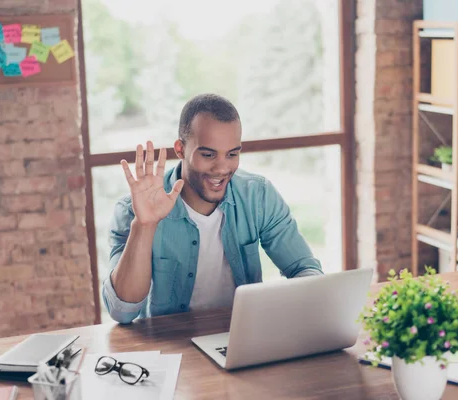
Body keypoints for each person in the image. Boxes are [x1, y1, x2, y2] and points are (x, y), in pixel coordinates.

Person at [102, 93, 323, 324]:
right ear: (180, 149)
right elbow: (122, 312)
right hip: (171, 347)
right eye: (208, 155)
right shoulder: (132, 210)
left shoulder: (258, 196)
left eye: (232, 154)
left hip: (242, 338)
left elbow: (304, 269)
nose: (221, 168)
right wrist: (145, 225)